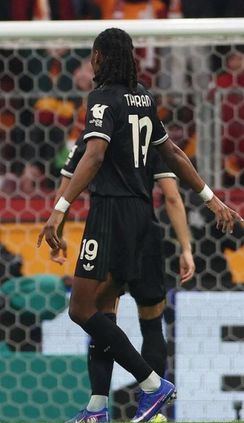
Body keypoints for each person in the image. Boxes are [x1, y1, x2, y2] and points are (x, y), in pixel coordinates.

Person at [37, 28, 242, 423]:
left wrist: (60, 208)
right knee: (104, 310)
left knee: (80, 309)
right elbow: (173, 152)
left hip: (110, 213)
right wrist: (211, 198)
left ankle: (151, 385)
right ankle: (97, 408)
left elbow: (94, 156)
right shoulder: (143, 98)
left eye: (93, 54)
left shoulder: (102, 99)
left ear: (99, 57)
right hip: (141, 215)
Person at [53, 138, 195, 422]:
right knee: (152, 324)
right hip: (146, 235)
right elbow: (171, 196)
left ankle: (102, 404)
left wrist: (58, 232)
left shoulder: (95, 137)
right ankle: (153, 413)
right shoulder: (149, 136)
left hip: (110, 230)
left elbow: (66, 187)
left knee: (99, 315)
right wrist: (186, 248)